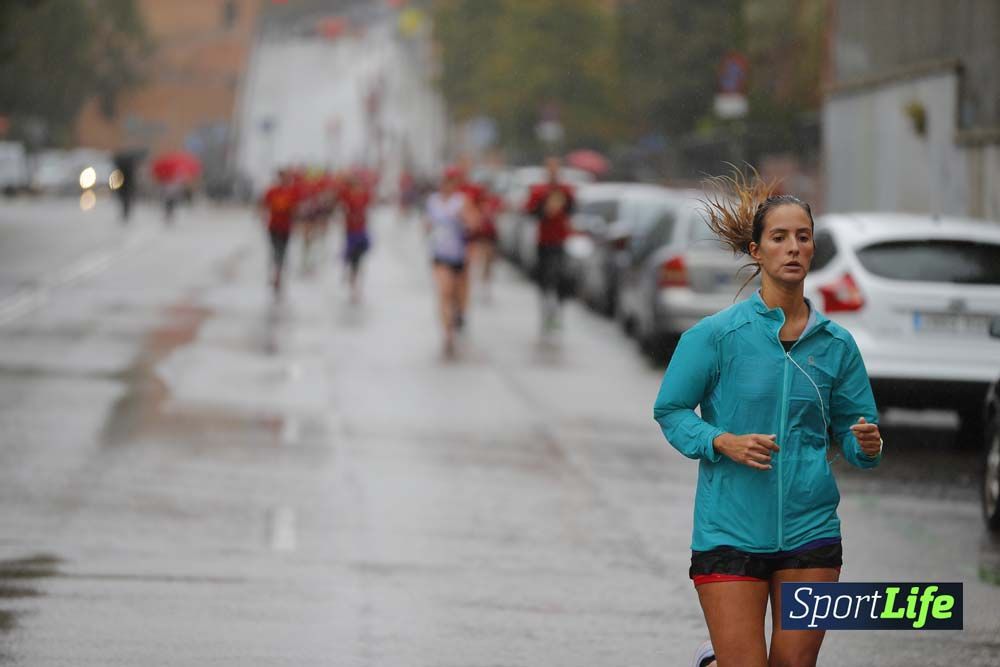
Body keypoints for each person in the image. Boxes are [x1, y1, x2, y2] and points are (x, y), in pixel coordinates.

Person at [652, 172, 884, 667]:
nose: (793, 247)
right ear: (756, 251)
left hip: (812, 532)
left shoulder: (837, 345)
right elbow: (670, 411)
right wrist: (720, 441)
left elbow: (856, 435)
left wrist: (865, 443)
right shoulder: (715, 336)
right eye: (779, 238)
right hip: (728, 532)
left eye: (803, 237)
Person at [426, 166, 480, 357]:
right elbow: (427, 225)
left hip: (459, 254)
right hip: (440, 253)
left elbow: (475, 223)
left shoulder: (461, 202)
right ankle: (447, 333)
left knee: (457, 294)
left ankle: (459, 315)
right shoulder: (432, 201)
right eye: (445, 181)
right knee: (444, 292)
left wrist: (465, 220)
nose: (447, 185)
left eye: (451, 181)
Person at [524, 156, 575, 332]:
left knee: (560, 276)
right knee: (543, 277)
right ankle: (545, 311)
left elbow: (572, 209)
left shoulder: (566, 191)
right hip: (543, 241)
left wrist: (562, 205)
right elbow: (529, 211)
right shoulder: (539, 191)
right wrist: (544, 209)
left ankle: (558, 311)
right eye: (550, 168)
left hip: (560, 240)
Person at [260, 169, 299, 296]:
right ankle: (275, 273)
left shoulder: (292, 192)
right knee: (275, 250)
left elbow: (296, 209)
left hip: (286, 227)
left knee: (283, 251)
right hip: (273, 226)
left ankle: (279, 274)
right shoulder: (272, 191)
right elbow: (263, 205)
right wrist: (262, 217)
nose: (284, 180)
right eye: (283, 177)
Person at [338, 171, 373, 303]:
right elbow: (340, 201)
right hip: (350, 232)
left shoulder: (364, 195)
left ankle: (356, 286)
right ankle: (351, 280)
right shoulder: (346, 195)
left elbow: (369, 204)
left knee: (359, 259)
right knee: (351, 258)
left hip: (361, 232)